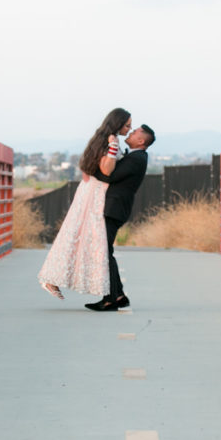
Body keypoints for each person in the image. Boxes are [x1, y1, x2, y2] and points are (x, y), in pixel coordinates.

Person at [37, 108, 132, 299]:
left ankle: (53, 278)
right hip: (95, 195)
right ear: (118, 124)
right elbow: (106, 170)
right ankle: (51, 278)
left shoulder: (100, 139)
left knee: (77, 236)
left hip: (91, 192)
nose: (130, 129)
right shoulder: (110, 141)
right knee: (83, 238)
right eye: (127, 125)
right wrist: (114, 148)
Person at [85, 123, 155, 312]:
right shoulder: (136, 156)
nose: (130, 133)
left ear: (141, 141)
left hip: (114, 208)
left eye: (134, 132)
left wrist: (90, 169)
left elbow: (110, 176)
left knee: (104, 252)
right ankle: (119, 296)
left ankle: (110, 299)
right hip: (114, 208)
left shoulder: (137, 158)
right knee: (105, 251)